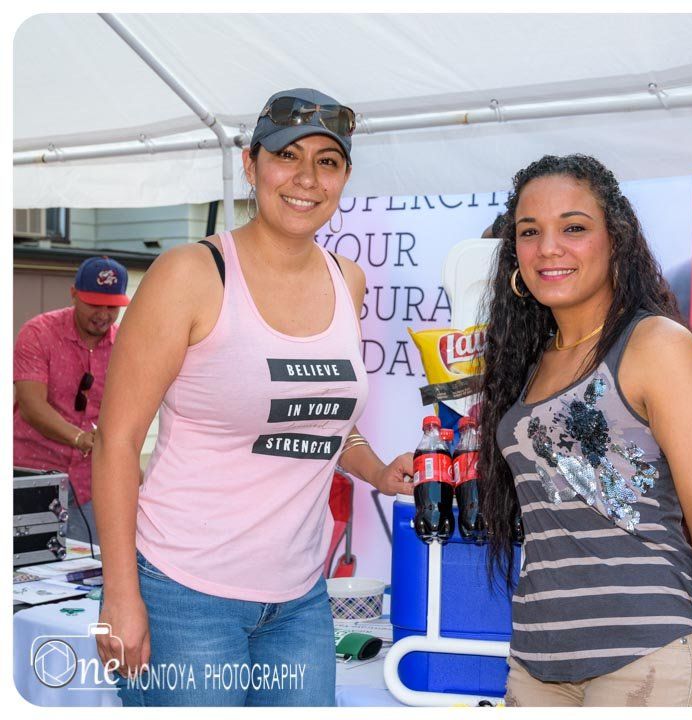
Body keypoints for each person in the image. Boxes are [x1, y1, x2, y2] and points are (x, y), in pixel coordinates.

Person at [93, 88, 414, 707]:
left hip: (299, 598)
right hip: (185, 594)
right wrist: (120, 594)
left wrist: (377, 469)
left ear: (344, 176)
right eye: (286, 155)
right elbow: (116, 441)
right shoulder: (191, 273)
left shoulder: (347, 280)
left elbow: (323, 417)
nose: (305, 178)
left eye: (327, 161)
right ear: (251, 165)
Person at [476, 154, 692, 707]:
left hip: (645, 654)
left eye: (573, 228)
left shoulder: (656, 345)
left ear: (615, 240)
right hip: (537, 661)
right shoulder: (527, 362)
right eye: (530, 232)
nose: (549, 247)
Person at [14, 256, 131, 545]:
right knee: (24, 568)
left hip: (90, 485)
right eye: (94, 303)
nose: (103, 314)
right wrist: (80, 438)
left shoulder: (125, 345)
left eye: (112, 306)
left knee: (87, 573)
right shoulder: (38, 333)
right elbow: (31, 407)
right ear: (74, 294)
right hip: (30, 475)